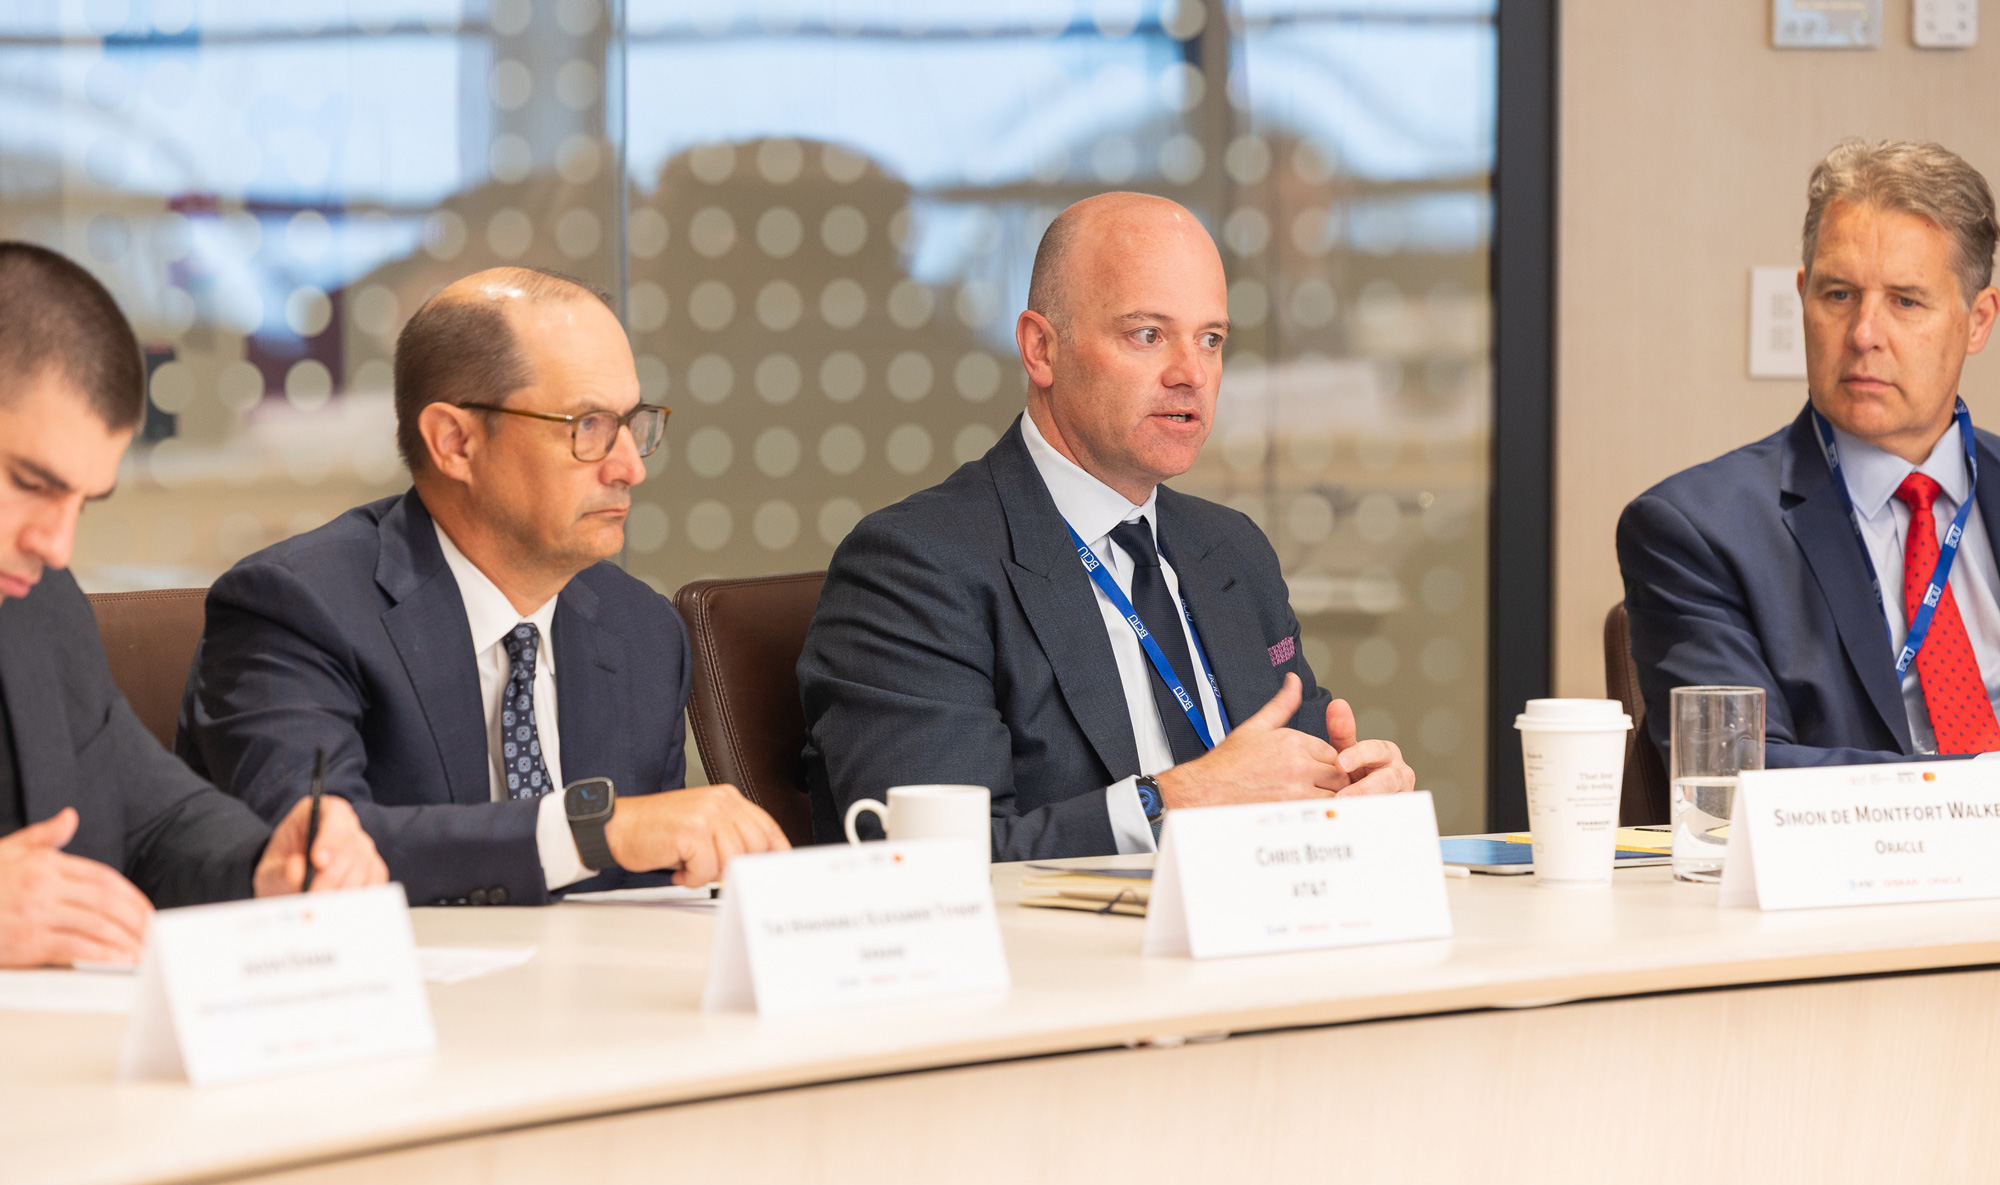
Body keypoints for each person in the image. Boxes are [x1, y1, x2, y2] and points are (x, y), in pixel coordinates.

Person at [800, 192, 1414, 860]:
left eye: (1210, 340)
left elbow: (1289, 778)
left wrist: (1352, 793)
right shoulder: (916, 566)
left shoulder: (1233, 551)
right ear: (1041, 348)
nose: (1191, 375)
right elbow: (933, 861)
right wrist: (1178, 800)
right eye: (1147, 334)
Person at [178, 268, 787, 905]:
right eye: (587, 426)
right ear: (455, 443)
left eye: (632, 422)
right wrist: (587, 832)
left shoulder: (641, 629)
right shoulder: (297, 609)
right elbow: (314, 857)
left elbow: (648, 891)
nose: (630, 466)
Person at [0, 242, 385, 968]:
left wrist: (270, 864)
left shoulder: (37, 602)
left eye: (81, 501)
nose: (56, 544)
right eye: (29, 482)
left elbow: (151, 816)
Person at [1620, 140, 2000, 767]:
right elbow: (1736, 774)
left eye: (1905, 301)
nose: (1864, 334)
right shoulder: (1696, 531)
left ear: (1978, 320)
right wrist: (1973, 793)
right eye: (1839, 295)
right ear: (1803, 298)